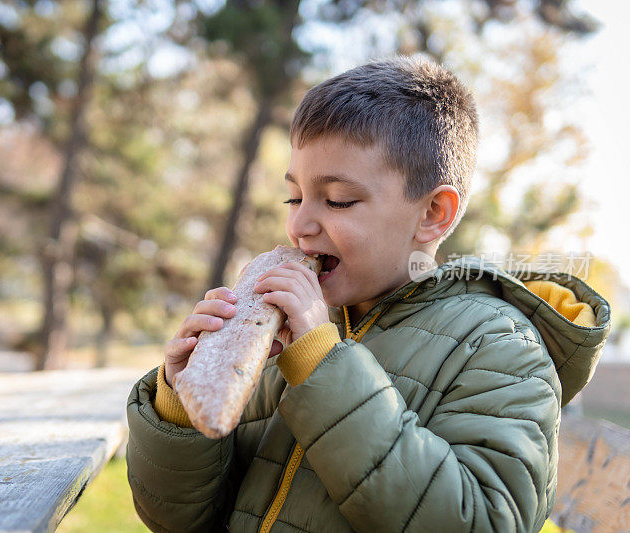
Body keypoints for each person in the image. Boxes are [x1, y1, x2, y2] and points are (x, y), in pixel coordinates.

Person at [125, 56, 611, 532]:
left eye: (338, 199)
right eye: (294, 197)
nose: (298, 224)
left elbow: (484, 519)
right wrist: (181, 409)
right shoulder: (280, 337)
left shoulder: (500, 346)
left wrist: (322, 366)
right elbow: (180, 518)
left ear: (432, 214)